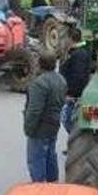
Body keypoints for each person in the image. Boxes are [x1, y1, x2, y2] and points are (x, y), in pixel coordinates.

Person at [23, 50, 67, 182]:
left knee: (36, 158)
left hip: (40, 126)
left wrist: (28, 128)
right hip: (54, 123)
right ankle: (53, 183)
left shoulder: (39, 83)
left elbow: (34, 110)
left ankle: (39, 186)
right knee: (50, 155)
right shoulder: (61, 79)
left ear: (39, 63)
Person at [59, 26, 91, 132]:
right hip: (72, 94)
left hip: (73, 96)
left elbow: (78, 76)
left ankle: (75, 143)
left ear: (70, 38)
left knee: (68, 120)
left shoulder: (78, 54)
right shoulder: (75, 52)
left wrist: (71, 94)